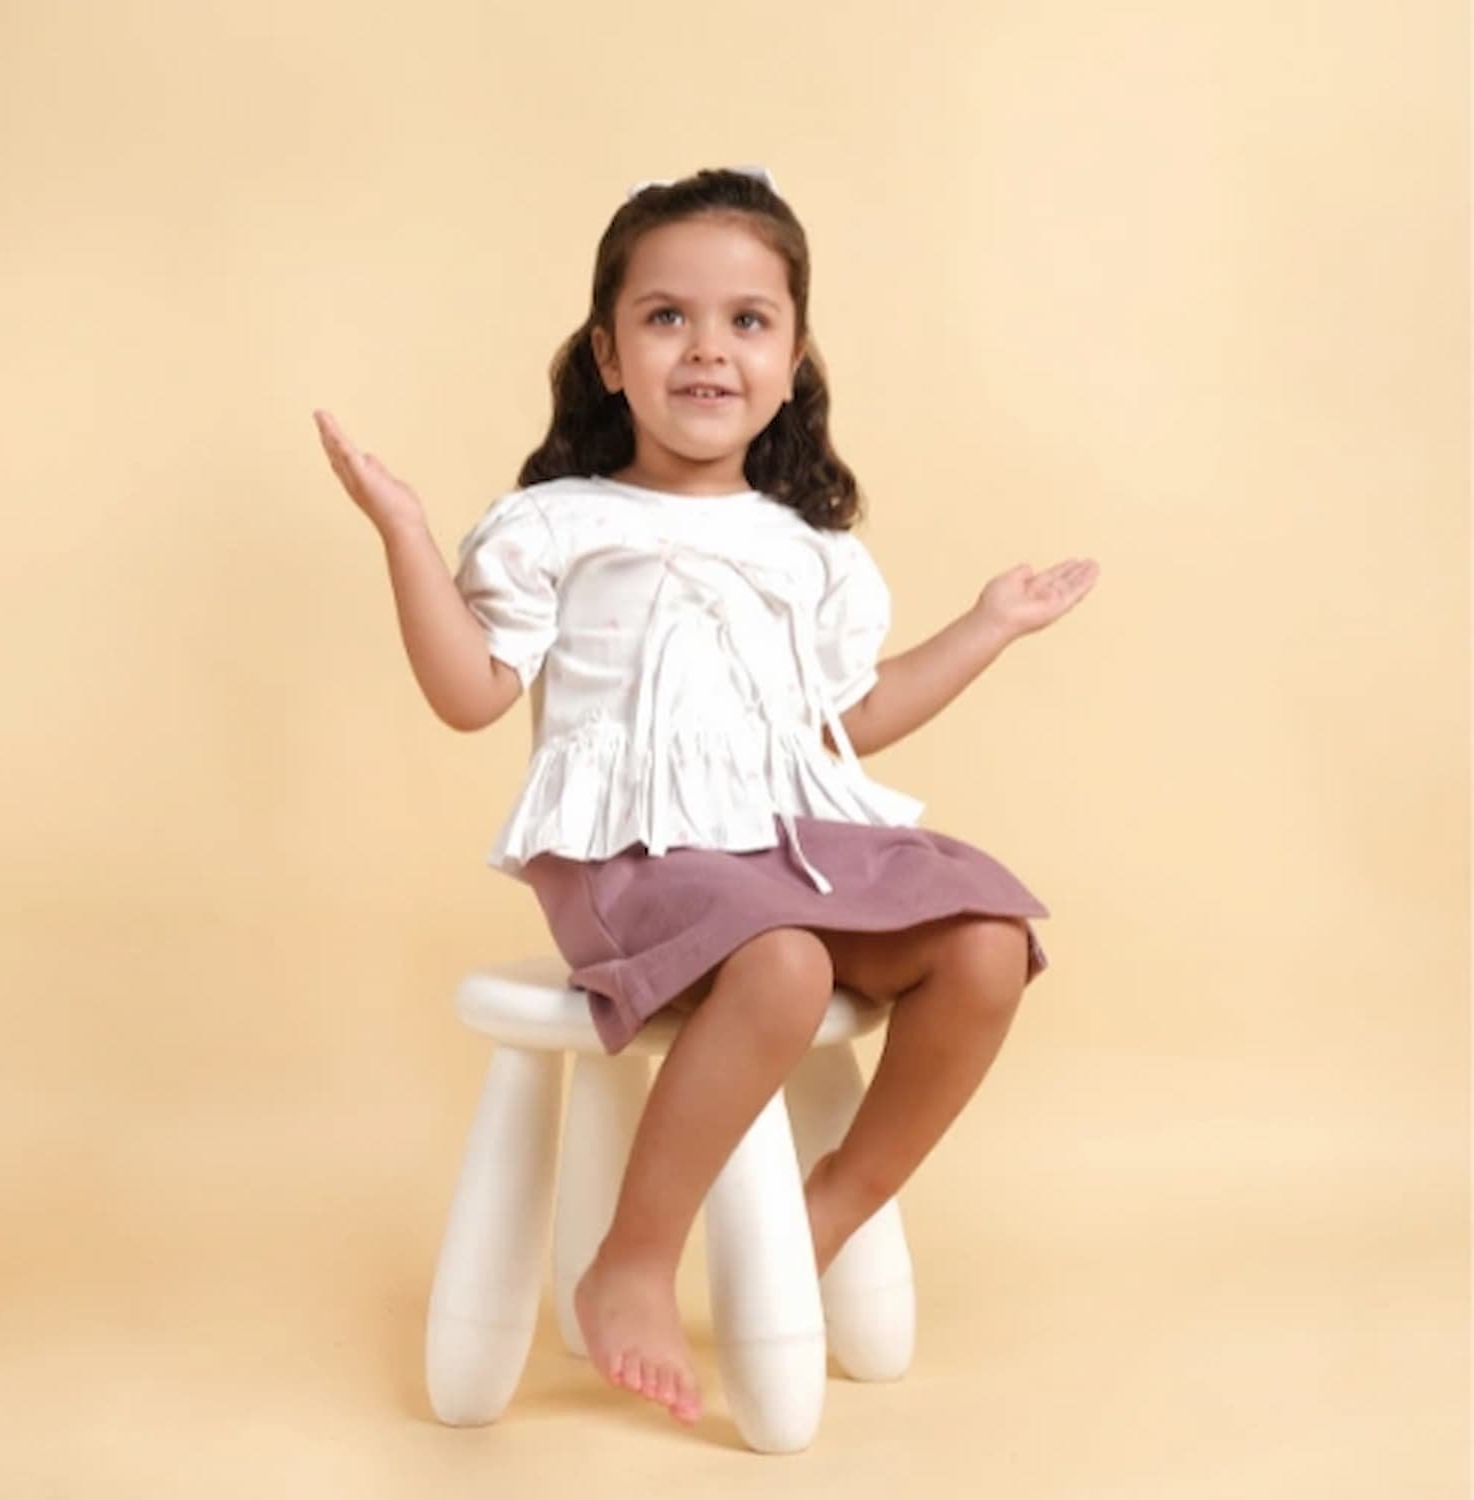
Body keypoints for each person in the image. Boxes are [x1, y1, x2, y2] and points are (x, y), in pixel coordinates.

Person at [313, 165, 1099, 1430]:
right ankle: (633, 1261)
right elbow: (468, 695)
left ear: (793, 360)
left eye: (748, 320)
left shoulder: (813, 549)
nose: (707, 349)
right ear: (608, 355)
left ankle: (828, 1211)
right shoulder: (553, 524)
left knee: (988, 939)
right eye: (667, 316)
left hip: (789, 842)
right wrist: (404, 531)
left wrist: (987, 626)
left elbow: (843, 725)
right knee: (781, 962)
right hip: (629, 858)